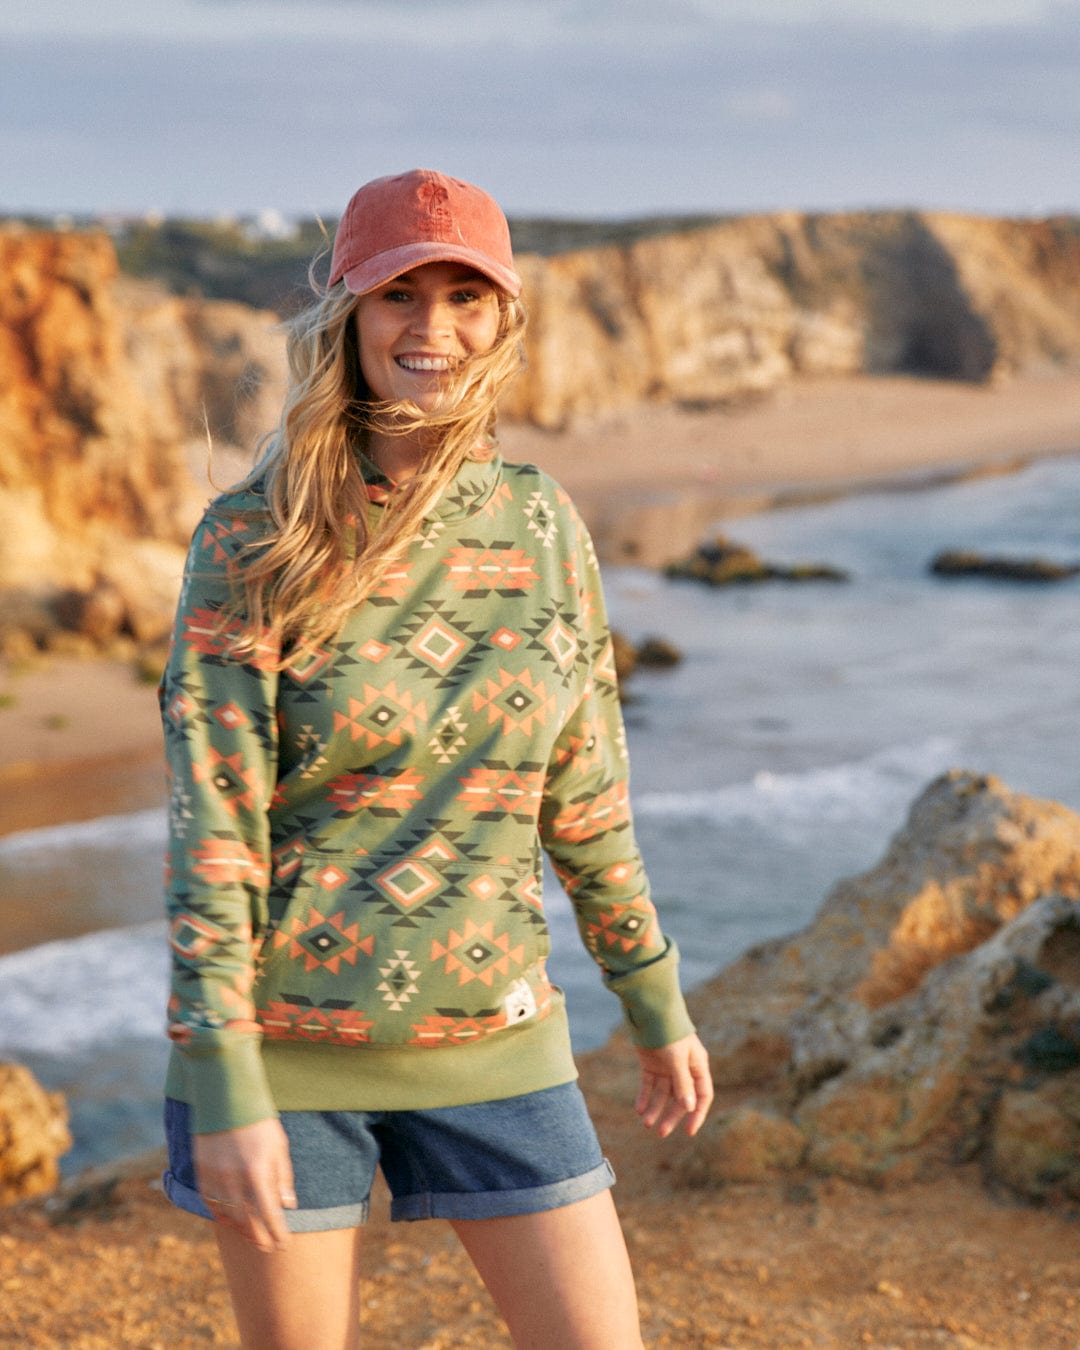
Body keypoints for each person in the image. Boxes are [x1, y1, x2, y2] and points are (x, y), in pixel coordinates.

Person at [159, 167, 713, 1349]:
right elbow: (214, 826)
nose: (433, 328)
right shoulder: (253, 538)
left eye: (467, 295)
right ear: (348, 317)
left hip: (502, 1037)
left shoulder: (543, 522)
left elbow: (586, 793)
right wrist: (224, 1079)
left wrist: (653, 1002)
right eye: (401, 295)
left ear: (502, 320)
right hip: (286, 1055)